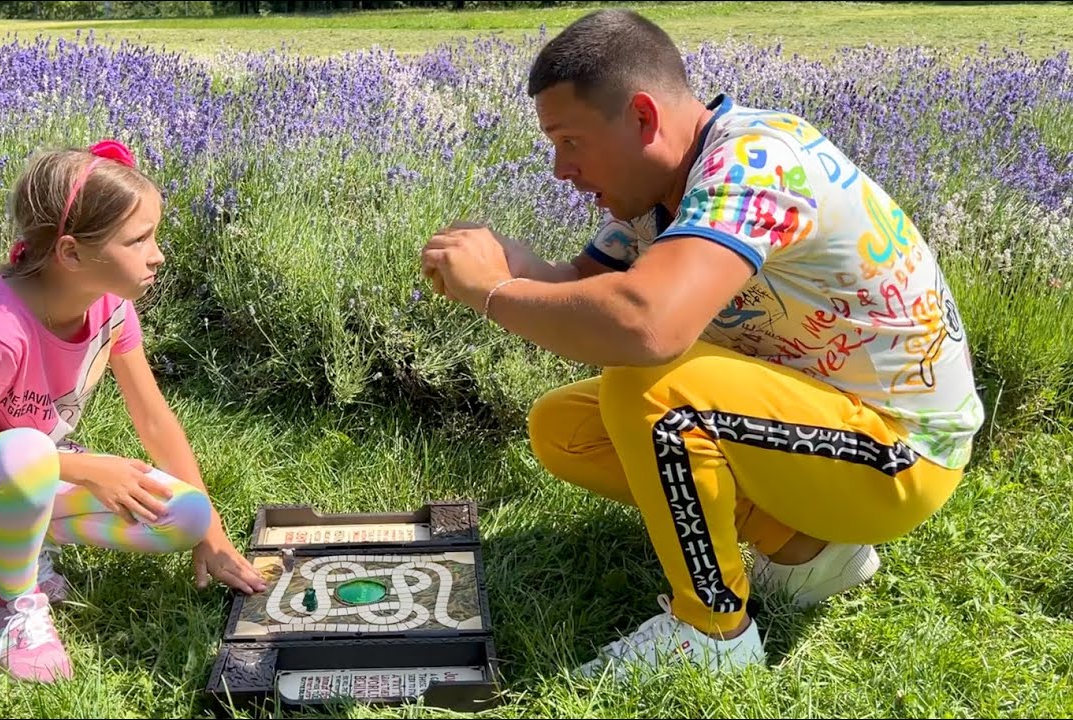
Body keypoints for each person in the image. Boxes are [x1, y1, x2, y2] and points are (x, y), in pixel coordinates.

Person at [420, 9, 983, 679]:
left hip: (900, 457)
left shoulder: (756, 161)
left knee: (650, 383)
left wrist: (493, 294)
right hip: (830, 426)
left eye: (569, 140)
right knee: (566, 427)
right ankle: (807, 550)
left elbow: (646, 324)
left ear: (642, 118)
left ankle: (714, 632)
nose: (558, 168)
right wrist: (511, 267)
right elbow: (583, 288)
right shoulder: (659, 192)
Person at [0, 139, 268, 684]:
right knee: (28, 451)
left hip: (37, 470)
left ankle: (21, 535)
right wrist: (88, 469)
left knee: (184, 515)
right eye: (139, 240)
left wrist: (213, 537)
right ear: (71, 254)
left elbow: (154, 420)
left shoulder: (111, 310)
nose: (158, 253)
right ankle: (16, 602)